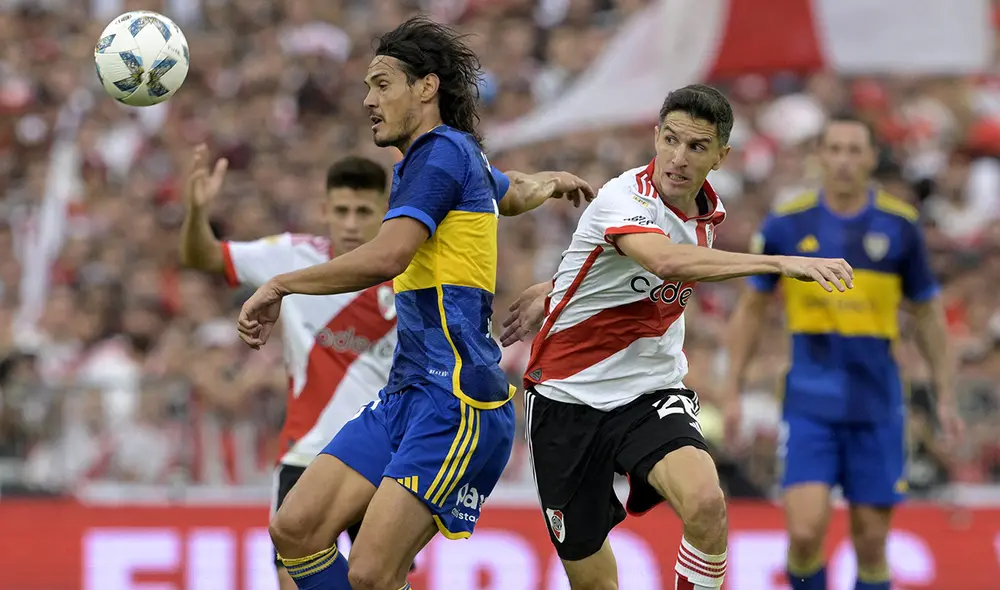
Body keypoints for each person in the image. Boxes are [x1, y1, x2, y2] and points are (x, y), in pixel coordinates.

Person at [235, 16, 594, 590]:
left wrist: (281, 284)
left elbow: (389, 256)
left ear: (426, 87)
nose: (367, 100)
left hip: (456, 400)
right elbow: (512, 190)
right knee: (295, 529)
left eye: (381, 84)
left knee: (374, 573)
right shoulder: (451, 159)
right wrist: (548, 181)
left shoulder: (439, 156)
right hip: (406, 393)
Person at [499, 84, 853, 590]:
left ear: (721, 156)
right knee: (594, 582)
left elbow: (614, 270)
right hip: (566, 397)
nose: (678, 158)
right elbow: (663, 260)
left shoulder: (708, 212)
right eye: (670, 140)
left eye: (697, 147)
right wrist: (779, 262)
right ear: (656, 137)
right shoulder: (623, 195)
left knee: (707, 502)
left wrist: (558, 288)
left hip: (649, 392)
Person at [721, 113, 964, 590]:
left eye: (855, 150)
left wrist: (946, 393)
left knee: (872, 544)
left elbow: (928, 316)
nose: (844, 160)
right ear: (820, 156)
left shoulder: (900, 226)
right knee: (805, 533)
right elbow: (751, 309)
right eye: (835, 149)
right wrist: (731, 391)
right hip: (810, 402)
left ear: (872, 157)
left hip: (877, 404)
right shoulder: (787, 226)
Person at [179, 148, 395, 590]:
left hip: (384, 457)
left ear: (385, 212)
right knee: (293, 582)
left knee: (378, 581)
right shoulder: (291, 257)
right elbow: (205, 257)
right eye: (341, 211)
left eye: (363, 211)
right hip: (306, 454)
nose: (351, 222)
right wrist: (197, 212)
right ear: (324, 210)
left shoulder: (410, 274)